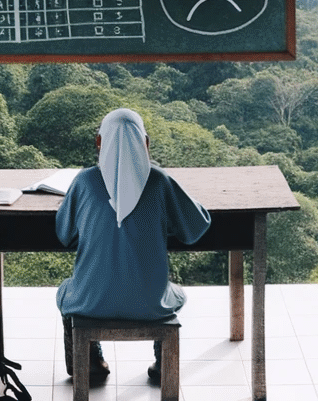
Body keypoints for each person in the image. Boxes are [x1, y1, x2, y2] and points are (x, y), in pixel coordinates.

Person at [55, 108, 212, 385]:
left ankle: (90, 362)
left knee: (66, 292)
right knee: (176, 294)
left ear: (99, 142)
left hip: (90, 303)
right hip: (151, 305)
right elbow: (193, 229)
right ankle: (163, 361)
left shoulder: (84, 181)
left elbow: (63, 233)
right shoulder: (160, 182)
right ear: (146, 143)